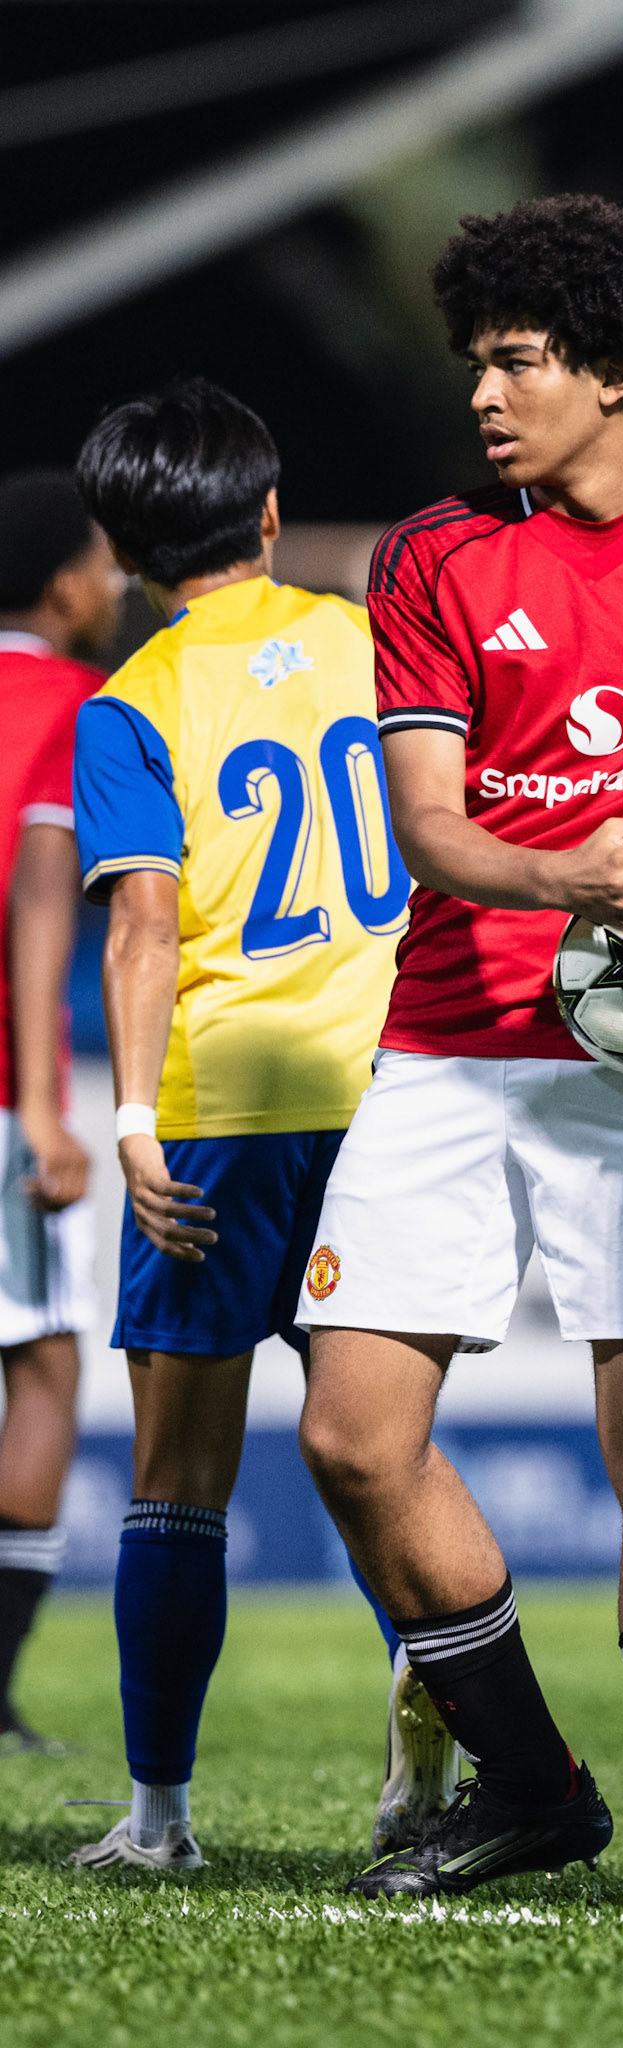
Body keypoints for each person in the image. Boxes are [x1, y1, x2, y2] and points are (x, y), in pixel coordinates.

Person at [295, 194, 623, 1911]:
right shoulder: (436, 554)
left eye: (516, 360)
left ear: (613, 370)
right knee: (352, 1436)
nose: (483, 393)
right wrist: (571, 872)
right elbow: (432, 827)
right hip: (448, 1041)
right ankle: (534, 1787)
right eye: (476, 362)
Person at [67, 379, 453, 1871]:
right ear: (273, 513)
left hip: (222, 1113)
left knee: (177, 1485)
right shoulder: (370, 640)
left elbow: (143, 924)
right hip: (386, 1090)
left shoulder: (134, 701)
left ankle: (160, 1816)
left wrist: (130, 1118)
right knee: (386, 1459)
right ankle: (440, 1736)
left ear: (121, 550)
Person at [0, 471, 124, 1752]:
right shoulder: (83, 707)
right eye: (102, 559)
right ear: (61, 584)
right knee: (41, 1364)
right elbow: (39, 903)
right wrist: (44, 1105)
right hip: (4, 1089)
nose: (115, 579)